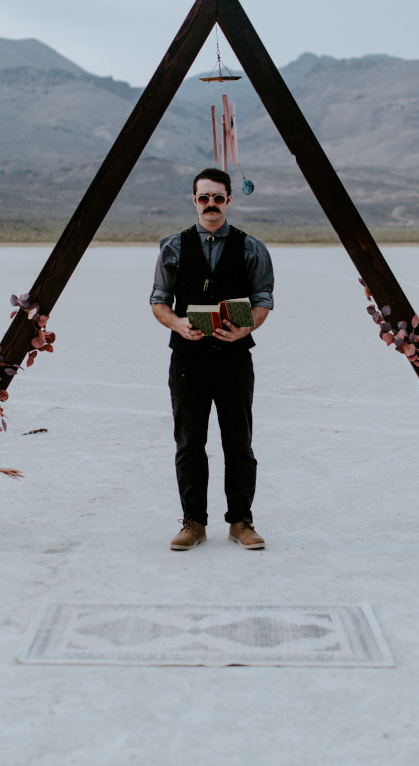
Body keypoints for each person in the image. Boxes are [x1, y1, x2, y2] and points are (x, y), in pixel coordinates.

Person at [150, 167, 274, 551]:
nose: (211, 205)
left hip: (234, 359)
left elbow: (263, 301)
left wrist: (245, 328)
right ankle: (193, 522)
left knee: (239, 442)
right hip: (187, 360)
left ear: (229, 200)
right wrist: (179, 324)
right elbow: (158, 302)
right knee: (189, 443)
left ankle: (241, 521)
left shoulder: (251, 247)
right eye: (204, 198)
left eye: (218, 197)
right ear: (194, 200)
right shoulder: (172, 247)